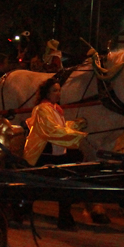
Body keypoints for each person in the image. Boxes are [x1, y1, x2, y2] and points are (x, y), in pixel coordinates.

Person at [23, 77, 87, 229]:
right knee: (59, 183)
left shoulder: (55, 109)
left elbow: (61, 126)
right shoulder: (43, 109)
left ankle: (64, 217)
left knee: (68, 178)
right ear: (47, 92)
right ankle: (63, 218)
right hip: (43, 153)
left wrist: (77, 124)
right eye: (54, 90)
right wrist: (77, 135)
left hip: (55, 151)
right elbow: (52, 130)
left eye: (59, 90)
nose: (58, 93)